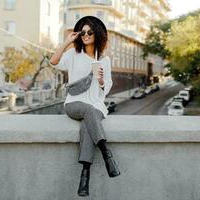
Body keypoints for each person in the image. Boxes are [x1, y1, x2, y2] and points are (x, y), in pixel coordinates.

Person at [50, 16, 120, 197]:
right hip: (74, 103)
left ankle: (85, 175)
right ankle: (106, 154)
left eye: (90, 32)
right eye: (83, 32)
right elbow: (54, 61)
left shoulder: (104, 60)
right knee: (89, 112)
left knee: (87, 126)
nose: (86, 35)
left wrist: (102, 80)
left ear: (97, 34)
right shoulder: (73, 54)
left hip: (96, 104)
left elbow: (107, 86)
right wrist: (67, 41)